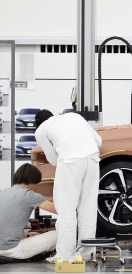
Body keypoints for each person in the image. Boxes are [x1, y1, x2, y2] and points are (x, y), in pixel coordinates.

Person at [35, 110, 102, 261]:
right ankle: (84, 254)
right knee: (88, 208)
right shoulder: (74, 116)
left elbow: (52, 159)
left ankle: (64, 256)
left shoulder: (41, 130)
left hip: (70, 162)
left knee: (67, 210)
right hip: (92, 159)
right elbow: (98, 141)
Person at [0, 164, 58, 260]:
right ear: (32, 181)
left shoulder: (4, 192)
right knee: (59, 235)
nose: (37, 188)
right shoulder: (29, 195)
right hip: (13, 250)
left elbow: (6, 224)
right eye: (37, 183)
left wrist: (27, 235)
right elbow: (60, 210)